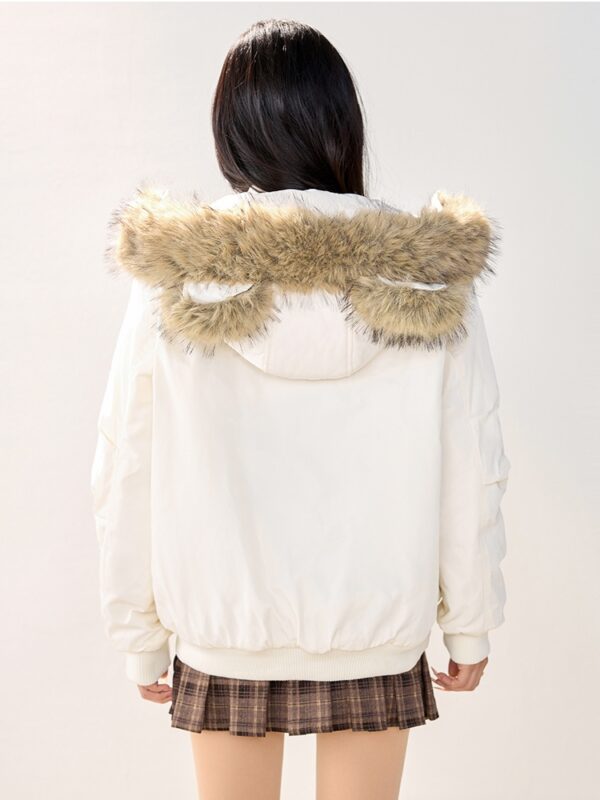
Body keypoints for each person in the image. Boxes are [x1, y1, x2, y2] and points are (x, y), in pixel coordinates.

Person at [90, 18, 511, 800]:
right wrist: (470, 621)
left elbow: (126, 462)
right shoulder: (427, 279)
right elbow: (471, 461)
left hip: (226, 629)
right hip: (375, 625)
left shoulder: (175, 279)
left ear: (231, 134)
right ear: (341, 126)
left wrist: (137, 633)